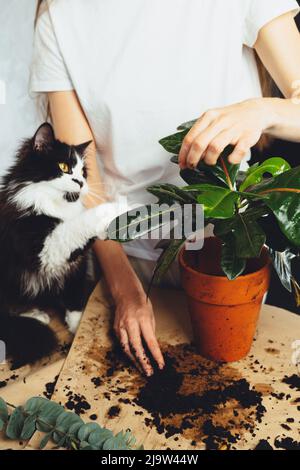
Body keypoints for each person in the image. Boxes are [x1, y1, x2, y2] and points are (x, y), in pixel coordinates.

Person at [30, 0, 300, 376]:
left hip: (227, 252)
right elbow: (85, 183)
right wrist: (125, 291)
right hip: (124, 257)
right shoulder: (59, 16)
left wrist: (263, 110)